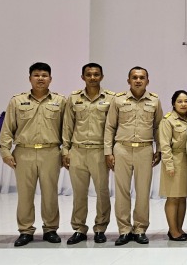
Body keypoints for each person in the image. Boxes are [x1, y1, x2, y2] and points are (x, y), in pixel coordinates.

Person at [0, 62, 66, 247]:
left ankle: (50, 229)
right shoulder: (17, 101)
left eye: (44, 75)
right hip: (24, 152)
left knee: (50, 193)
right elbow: (7, 128)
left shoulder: (60, 101)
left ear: (50, 79)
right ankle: (25, 230)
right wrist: (5, 151)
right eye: (36, 75)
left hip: (50, 152)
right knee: (25, 194)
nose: (40, 78)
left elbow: (66, 129)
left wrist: (65, 151)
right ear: (30, 78)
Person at [104, 66, 163, 246]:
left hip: (145, 150)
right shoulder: (119, 100)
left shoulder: (154, 101)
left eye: (142, 77)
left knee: (143, 192)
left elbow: (158, 127)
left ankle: (140, 229)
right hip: (121, 149)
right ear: (128, 80)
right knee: (121, 192)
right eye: (134, 77)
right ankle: (124, 230)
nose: (138, 80)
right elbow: (110, 127)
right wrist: (108, 152)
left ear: (147, 81)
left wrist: (158, 149)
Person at [62, 63, 114, 245]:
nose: (92, 77)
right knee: (79, 193)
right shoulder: (74, 98)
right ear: (82, 77)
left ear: (102, 76)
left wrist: (110, 152)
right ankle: (79, 229)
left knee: (102, 192)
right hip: (77, 151)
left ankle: (100, 228)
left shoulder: (111, 98)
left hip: (100, 152)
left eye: (96, 74)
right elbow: (68, 125)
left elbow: (113, 127)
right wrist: (65, 150)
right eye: (89, 74)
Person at [158, 90, 187, 241]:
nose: (183, 104)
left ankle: (179, 228)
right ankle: (173, 230)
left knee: (182, 197)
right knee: (173, 198)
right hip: (174, 159)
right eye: (180, 101)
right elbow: (164, 145)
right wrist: (169, 165)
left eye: (186, 101)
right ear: (173, 103)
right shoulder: (168, 120)